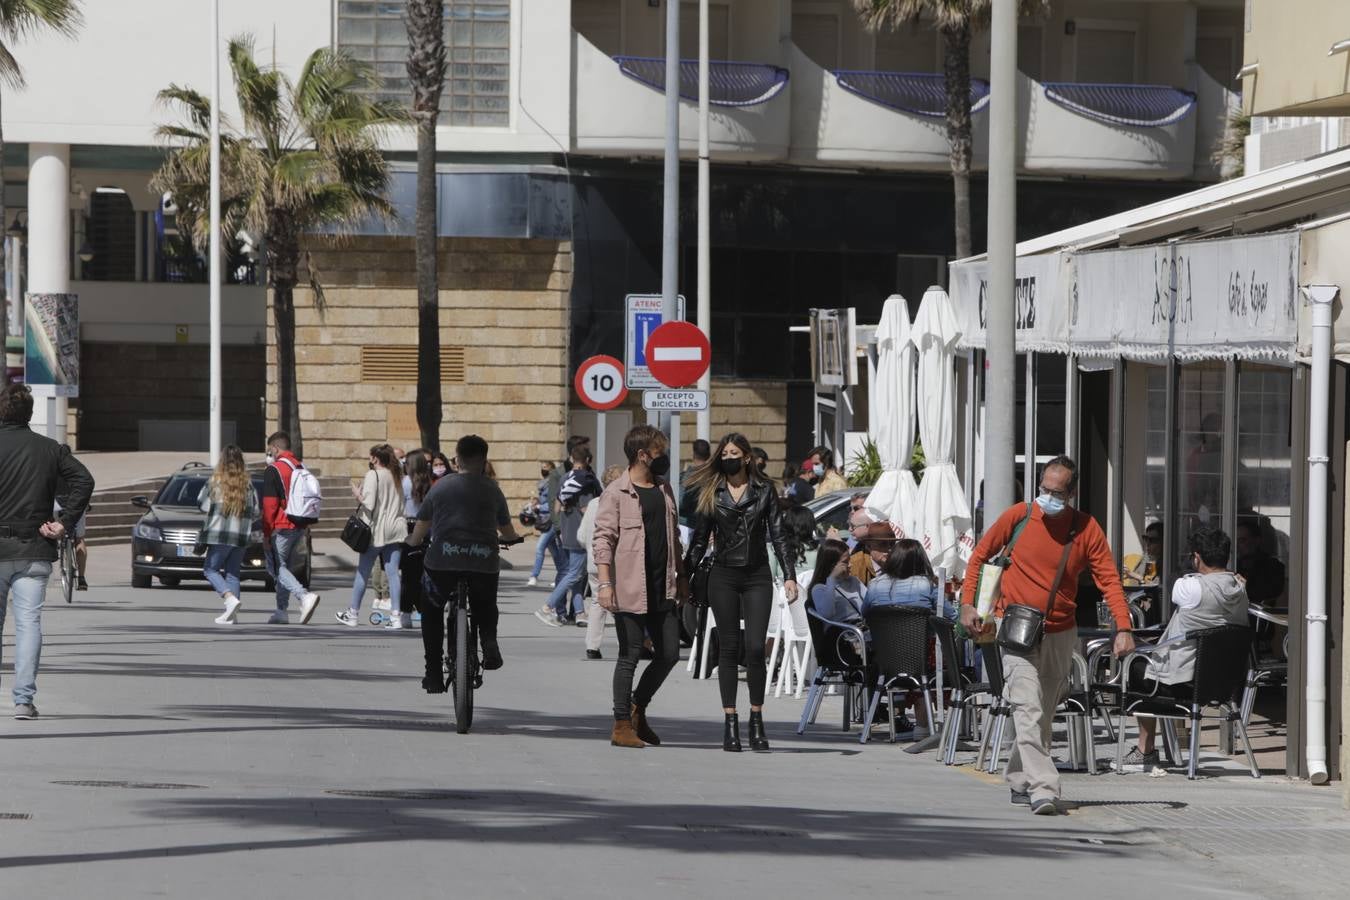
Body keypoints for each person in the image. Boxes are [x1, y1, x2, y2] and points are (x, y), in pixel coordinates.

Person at [959, 455, 1135, 816]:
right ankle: (1044, 788)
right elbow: (978, 557)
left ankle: (1020, 779)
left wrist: (1123, 626)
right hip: (1015, 627)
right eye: (1044, 489)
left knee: (1042, 712)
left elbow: (1109, 580)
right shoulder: (1018, 516)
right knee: (1027, 705)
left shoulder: (1086, 528)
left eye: (1057, 492)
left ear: (1072, 492)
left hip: (1060, 631)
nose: (1049, 497)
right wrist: (967, 605)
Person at [685, 432, 797, 752]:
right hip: (723, 575)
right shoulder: (711, 491)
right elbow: (698, 540)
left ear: (747, 457)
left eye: (734, 452)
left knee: (755, 648)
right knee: (729, 649)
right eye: (724, 453)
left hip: (757, 575)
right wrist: (682, 576)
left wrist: (789, 576)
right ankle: (730, 722)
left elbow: (779, 534)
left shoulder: (764, 490)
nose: (728, 457)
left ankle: (757, 721)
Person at [1119, 527, 1250, 772]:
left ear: (1197, 558)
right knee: (1150, 664)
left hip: (1185, 681)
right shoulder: (1240, 589)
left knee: (1135, 666)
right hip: (1224, 683)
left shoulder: (1189, 587)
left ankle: (1145, 750)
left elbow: (1178, 589)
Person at [0, 384, 94, 719]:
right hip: (35, 546)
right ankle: (23, 700)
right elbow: (84, 481)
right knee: (29, 625)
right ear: (30, 414)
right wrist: (65, 523)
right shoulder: (50, 449)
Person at [592, 425, 687, 748]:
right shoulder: (616, 493)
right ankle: (621, 725)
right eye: (660, 452)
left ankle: (637, 708)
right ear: (642, 454)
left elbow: (674, 538)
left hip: (664, 585)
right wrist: (605, 583)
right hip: (630, 586)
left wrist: (683, 578)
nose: (665, 458)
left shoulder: (664, 489)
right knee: (630, 654)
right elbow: (603, 539)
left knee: (670, 653)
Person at [406, 435, 520, 690]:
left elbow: (422, 525)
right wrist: (513, 539)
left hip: (443, 562)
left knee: (432, 608)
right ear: (484, 460)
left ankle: (433, 671)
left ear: (457, 459)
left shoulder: (442, 486)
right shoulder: (492, 489)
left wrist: (413, 541)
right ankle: (489, 641)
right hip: (483, 561)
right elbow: (507, 529)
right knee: (486, 603)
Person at [338, 444, 407, 628]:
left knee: (363, 572)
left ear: (376, 458)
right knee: (393, 574)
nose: (369, 460)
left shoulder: (373, 475)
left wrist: (357, 495)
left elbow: (368, 504)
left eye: (370, 457)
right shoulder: (397, 475)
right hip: (396, 528)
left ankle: (352, 613)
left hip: (376, 531)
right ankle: (395, 616)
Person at [260, 431, 321, 625]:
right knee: (284, 568)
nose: (269, 453)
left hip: (281, 525)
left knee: (276, 568)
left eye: (270, 450)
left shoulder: (274, 469)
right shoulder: (300, 466)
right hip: (300, 524)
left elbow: (270, 505)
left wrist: (266, 532)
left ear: (276, 448)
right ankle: (281, 610)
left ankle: (304, 596)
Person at [535, 445, 600, 626]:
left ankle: (579, 612)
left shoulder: (565, 478)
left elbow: (556, 507)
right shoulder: (585, 481)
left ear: (571, 459)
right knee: (573, 574)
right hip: (581, 531)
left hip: (566, 531)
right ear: (588, 460)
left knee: (575, 574)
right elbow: (586, 509)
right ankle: (547, 607)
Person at [197, 444, 260, 625]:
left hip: (220, 535)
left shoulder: (215, 482)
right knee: (233, 573)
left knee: (210, 569)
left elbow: (202, 504)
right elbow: (256, 511)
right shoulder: (248, 486)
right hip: (240, 536)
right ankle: (231, 615)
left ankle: (229, 599)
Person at [579, 464, 626, 660]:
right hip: (613, 562)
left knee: (598, 602)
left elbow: (581, 536)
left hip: (593, 561)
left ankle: (592, 646)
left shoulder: (593, 504)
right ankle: (626, 643)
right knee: (619, 603)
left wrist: (590, 549)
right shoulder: (620, 503)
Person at [863, 539, 955, 617]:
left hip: (881, 637)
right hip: (920, 637)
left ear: (893, 558)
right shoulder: (927, 585)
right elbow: (951, 615)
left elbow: (864, 614)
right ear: (920, 560)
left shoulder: (874, 585)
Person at [399, 450, 435, 629]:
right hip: (426, 528)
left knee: (407, 575)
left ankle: (405, 612)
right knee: (422, 574)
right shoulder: (430, 484)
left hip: (408, 528)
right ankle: (423, 610)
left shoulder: (405, 482)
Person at [808, 538, 865, 627]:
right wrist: (832, 578)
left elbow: (870, 604)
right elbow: (827, 614)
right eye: (845, 562)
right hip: (843, 635)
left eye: (849, 560)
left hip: (862, 628)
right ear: (831, 565)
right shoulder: (819, 588)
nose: (850, 565)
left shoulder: (853, 581)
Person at [1236, 519, 1286, 606]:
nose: (1237, 545)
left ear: (1256, 540)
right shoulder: (1233, 565)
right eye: (1236, 541)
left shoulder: (1273, 567)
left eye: (1242, 540)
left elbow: (1267, 596)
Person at [848, 521, 896, 586]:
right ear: (869, 546)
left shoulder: (898, 560)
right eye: (883, 544)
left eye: (892, 543)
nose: (889, 549)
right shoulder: (856, 565)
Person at [679, 438, 711, 526]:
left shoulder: (689, 475)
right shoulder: (715, 475)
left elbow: (680, 502)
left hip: (688, 526)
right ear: (709, 455)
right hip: (708, 525)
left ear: (694, 454)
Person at [1122, 521, 1163, 586]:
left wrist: (1133, 575)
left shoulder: (1167, 564)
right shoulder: (1148, 558)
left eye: (1152, 540)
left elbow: (1155, 585)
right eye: (1146, 539)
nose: (1148, 544)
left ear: (1162, 542)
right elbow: (1148, 579)